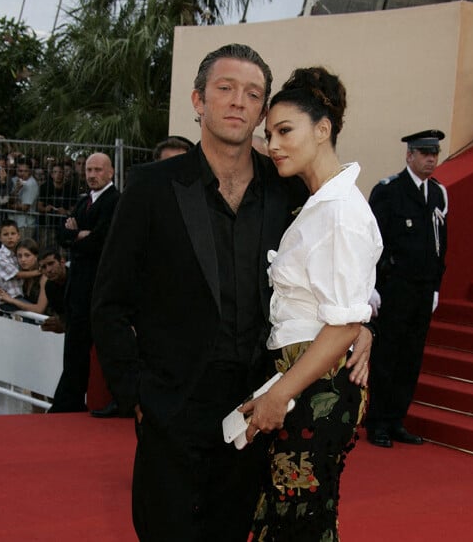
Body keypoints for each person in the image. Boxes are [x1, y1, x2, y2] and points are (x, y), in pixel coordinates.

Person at [90, 43, 373, 542]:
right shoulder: (151, 187)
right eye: (225, 89)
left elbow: (345, 260)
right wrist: (135, 394)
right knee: (163, 528)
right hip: (172, 405)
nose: (239, 102)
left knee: (239, 529)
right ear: (199, 101)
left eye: (253, 93)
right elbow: (109, 300)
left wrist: (363, 320)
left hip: (258, 405)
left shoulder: (287, 186)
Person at [235, 66, 383, 541]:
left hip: (314, 385)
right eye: (269, 134)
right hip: (304, 376)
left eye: (284, 131)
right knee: (293, 516)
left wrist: (279, 394)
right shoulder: (318, 203)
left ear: (323, 130)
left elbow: (341, 325)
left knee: (299, 519)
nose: (273, 144)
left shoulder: (339, 211)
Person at [365, 129, 448, 448]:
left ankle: (397, 419)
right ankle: (377, 422)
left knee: (411, 357)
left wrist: (437, 286)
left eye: (434, 154)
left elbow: (442, 244)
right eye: (424, 153)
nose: (430, 159)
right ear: (409, 155)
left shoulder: (439, 194)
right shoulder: (389, 191)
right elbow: (372, 242)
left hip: (423, 288)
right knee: (387, 355)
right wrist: (370, 286)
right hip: (393, 286)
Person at [48, 152, 120, 413]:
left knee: (105, 349)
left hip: (99, 288)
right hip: (78, 289)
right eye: (88, 170)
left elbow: (101, 240)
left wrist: (75, 234)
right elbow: (62, 235)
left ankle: (119, 400)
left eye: (98, 170)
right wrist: (79, 234)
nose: (92, 175)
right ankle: (69, 401)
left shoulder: (115, 201)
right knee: (74, 349)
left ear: (110, 172)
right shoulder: (83, 202)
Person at [0, 220, 40, 312]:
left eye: (13, 233)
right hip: (9, 299)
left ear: (18, 235)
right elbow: (17, 274)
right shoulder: (1, 256)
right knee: (34, 312)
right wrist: (38, 272)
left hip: (18, 297)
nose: (10, 237)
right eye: (5, 234)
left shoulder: (17, 251)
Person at [0, 238, 49, 314]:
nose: (23, 259)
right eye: (19, 256)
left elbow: (39, 309)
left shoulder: (44, 277)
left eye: (27, 255)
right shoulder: (20, 276)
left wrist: (12, 300)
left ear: (36, 256)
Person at [36, 160, 77, 248]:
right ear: (51, 175)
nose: (58, 175)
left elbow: (74, 208)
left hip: (63, 225)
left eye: (60, 172)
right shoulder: (45, 187)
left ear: (64, 174)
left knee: (62, 252)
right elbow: (39, 206)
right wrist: (46, 209)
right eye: (55, 172)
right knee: (45, 249)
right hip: (47, 225)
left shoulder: (70, 188)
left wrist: (66, 212)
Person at [7, 154, 40, 240]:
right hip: (15, 223)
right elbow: (9, 199)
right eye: (20, 171)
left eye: (25, 171)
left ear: (30, 171)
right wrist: (16, 190)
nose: (22, 174)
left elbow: (25, 207)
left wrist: (8, 206)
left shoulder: (31, 184)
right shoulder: (15, 180)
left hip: (25, 225)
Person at [38, 247, 69, 334]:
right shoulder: (49, 286)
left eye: (51, 263)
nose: (48, 270)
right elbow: (61, 315)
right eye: (44, 267)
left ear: (62, 262)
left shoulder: (77, 278)